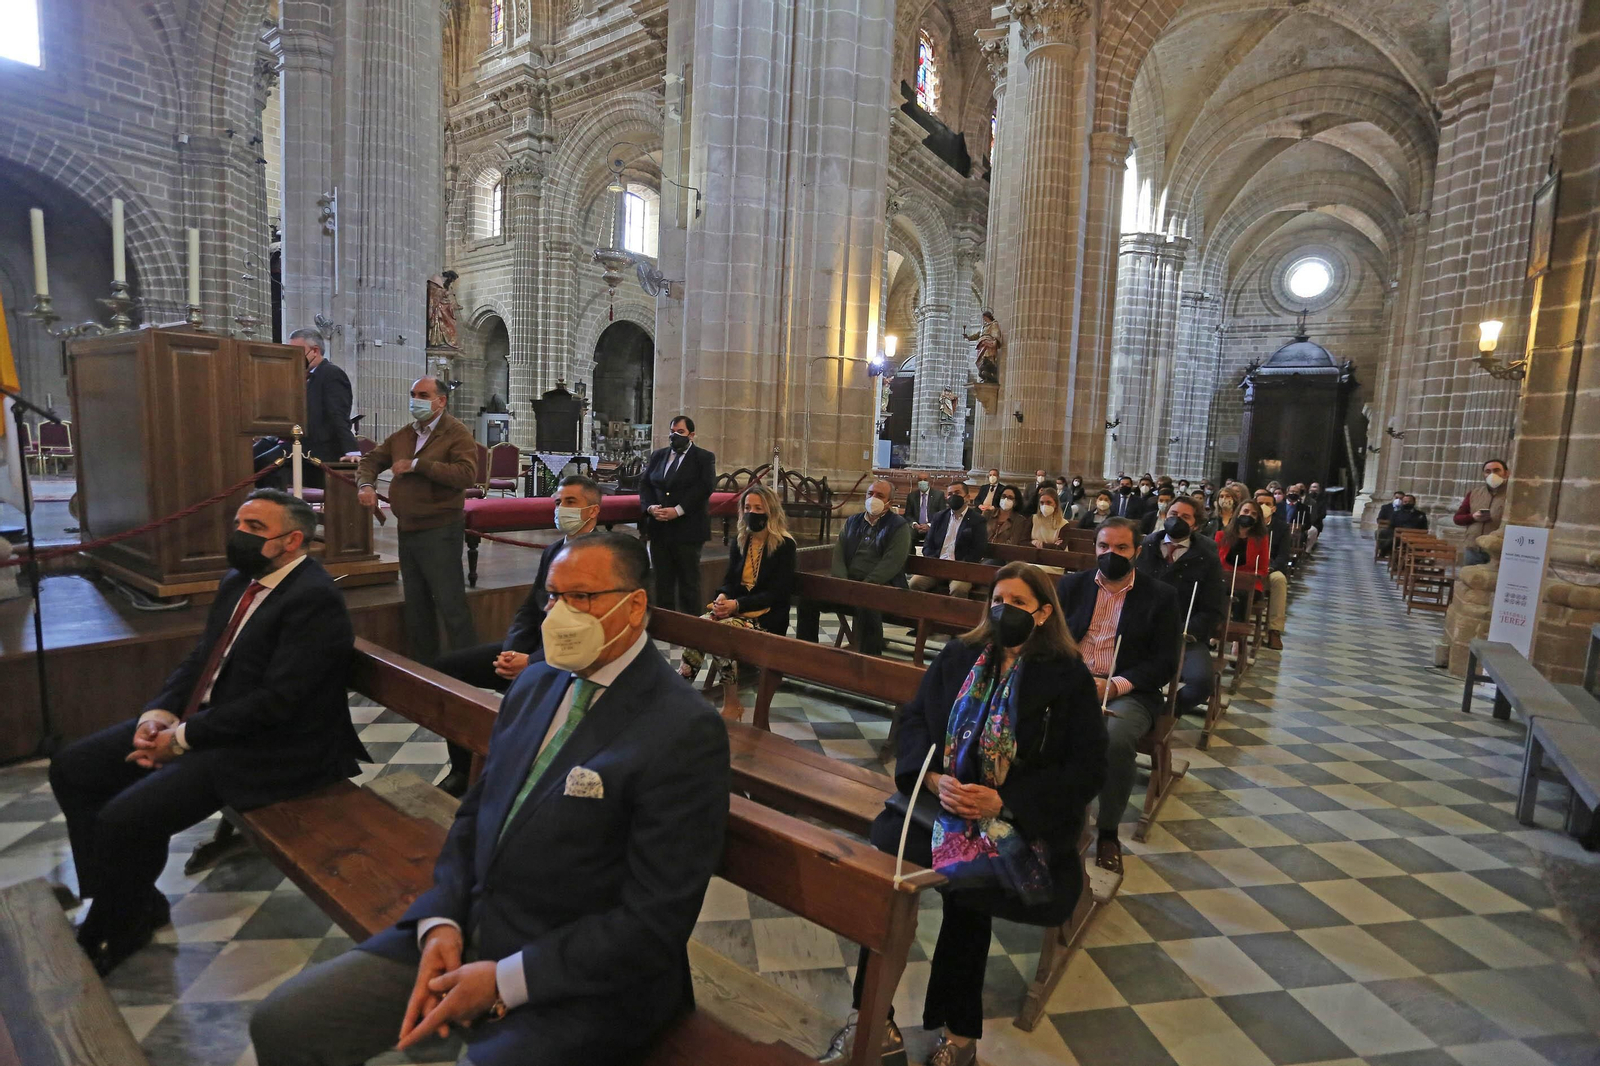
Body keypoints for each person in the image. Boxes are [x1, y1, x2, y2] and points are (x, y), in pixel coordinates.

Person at [250, 533, 730, 1066]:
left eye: (583, 597)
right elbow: (477, 814)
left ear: (634, 605)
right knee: (286, 1022)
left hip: (583, 977)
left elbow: (653, 920)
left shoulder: (683, 727)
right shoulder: (537, 684)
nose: (560, 613)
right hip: (472, 925)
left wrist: (505, 979)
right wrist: (440, 921)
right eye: (553, 596)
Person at [51, 489, 366, 976]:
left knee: (125, 819)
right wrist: (157, 715)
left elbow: (277, 704)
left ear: (293, 540)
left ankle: (112, 927)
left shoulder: (314, 600)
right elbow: (203, 658)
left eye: (255, 528)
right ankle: (130, 899)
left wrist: (180, 740)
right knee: (74, 768)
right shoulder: (241, 579)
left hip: (276, 748)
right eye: (239, 523)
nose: (239, 534)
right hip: (213, 725)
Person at [822, 563, 1106, 1066]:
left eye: (1017, 603)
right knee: (886, 873)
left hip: (1015, 818)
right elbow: (913, 720)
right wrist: (931, 778)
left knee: (967, 890)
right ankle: (871, 1017)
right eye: (997, 599)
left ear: (1042, 613)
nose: (1003, 610)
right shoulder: (959, 656)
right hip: (942, 806)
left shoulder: (1067, 676)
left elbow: (1087, 769)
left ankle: (958, 1033)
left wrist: (1006, 801)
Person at [432, 476, 602, 797]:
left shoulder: (605, 557)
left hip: (570, 660)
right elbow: (529, 611)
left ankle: (518, 776)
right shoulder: (553, 550)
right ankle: (461, 770)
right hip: (531, 650)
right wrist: (512, 652)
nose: (559, 509)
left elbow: (591, 630)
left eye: (569, 503)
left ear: (592, 511)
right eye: (557, 502)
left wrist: (533, 661)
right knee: (448, 670)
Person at [1055, 518, 1180, 875]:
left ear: (1137, 552)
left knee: (1115, 740)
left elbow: (1165, 662)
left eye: (1121, 548)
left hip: (1128, 690)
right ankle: (1044, 813)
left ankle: (1107, 830)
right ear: (1094, 549)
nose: (1111, 555)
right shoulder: (1072, 586)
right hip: (1073, 681)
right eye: (1104, 547)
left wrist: (1114, 686)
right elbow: (1055, 637)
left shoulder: (1160, 596)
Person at [357, 377, 480, 666]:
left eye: (423, 395)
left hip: (440, 528)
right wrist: (366, 485)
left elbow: (466, 474)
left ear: (441, 401)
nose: (416, 400)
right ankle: (426, 669)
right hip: (408, 527)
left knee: (451, 604)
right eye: (413, 394)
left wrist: (418, 465)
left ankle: (470, 671)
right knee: (417, 604)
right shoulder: (404, 435)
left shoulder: (456, 433)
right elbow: (371, 461)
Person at [680, 484, 797, 718]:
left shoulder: (784, 545)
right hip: (738, 610)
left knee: (723, 632)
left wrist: (737, 605)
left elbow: (778, 593)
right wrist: (723, 596)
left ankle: (732, 702)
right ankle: (680, 693)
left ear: (771, 511)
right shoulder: (741, 540)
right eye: (747, 507)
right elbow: (730, 581)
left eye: (758, 508)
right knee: (700, 627)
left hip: (768, 616)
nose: (752, 512)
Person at [796, 478, 911, 655]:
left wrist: (864, 586)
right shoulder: (853, 521)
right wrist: (843, 583)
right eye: (870, 494)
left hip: (882, 587)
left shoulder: (899, 527)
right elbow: (839, 553)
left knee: (867, 604)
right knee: (808, 598)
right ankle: (807, 654)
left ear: (890, 502)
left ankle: (869, 662)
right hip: (849, 585)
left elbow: (892, 563)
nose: (873, 498)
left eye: (880, 495)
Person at [1135, 496, 1223, 711]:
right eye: (1173, 515)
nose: (1177, 520)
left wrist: (1185, 630)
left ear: (1196, 524)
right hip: (1140, 629)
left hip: (1183, 634)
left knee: (1201, 683)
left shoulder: (1207, 557)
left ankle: (1166, 715)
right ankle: (1137, 708)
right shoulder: (1145, 546)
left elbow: (1213, 608)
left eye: (1185, 517)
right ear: (1165, 516)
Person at [638, 415, 717, 613]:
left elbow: (704, 488)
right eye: (672, 432)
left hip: (688, 529)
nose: (675, 436)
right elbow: (646, 484)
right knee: (662, 580)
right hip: (659, 528)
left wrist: (678, 510)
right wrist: (650, 508)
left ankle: (690, 629)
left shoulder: (703, 458)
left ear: (691, 434)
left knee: (688, 582)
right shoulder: (658, 455)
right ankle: (667, 626)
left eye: (680, 432)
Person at [1215, 500, 1290, 649]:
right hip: (1226, 578)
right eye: (1246, 511)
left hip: (1249, 582)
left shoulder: (1261, 538)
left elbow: (1263, 567)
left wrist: (1250, 577)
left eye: (1254, 514)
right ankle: (1214, 632)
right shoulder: (1222, 535)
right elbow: (1216, 561)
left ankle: (1238, 639)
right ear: (1238, 513)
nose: (1249, 515)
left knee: (1242, 596)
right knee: (1215, 592)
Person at [291, 327, 358, 489]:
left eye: (296, 352)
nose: (292, 358)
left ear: (315, 351)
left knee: (266, 462)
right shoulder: (301, 376)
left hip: (316, 449)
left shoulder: (331, 374)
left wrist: (352, 451)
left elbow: (338, 414)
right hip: (296, 442)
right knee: (252, 457)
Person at [909, 481, 988, 598]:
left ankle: (954, 616)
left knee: (959, 589)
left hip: (961, 570)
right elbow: (927, 545)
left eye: (957, 493)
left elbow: (978, 549)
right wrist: (935, 561)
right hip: (937, 567)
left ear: (967, 497)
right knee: (914, 583)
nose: (953, 496)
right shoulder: (939, 517)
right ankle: (923, 614)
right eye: (950, 494)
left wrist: (959, 565)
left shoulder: (977, 520)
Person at [1454, 458, 1509, 565]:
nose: (1492, 474)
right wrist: (1473, 517)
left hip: (1498, 551)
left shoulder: (1513, 494)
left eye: (1496, 470)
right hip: (1473, 548)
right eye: (1488, 471)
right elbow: (1457, 518)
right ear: (1483, 474)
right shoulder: (1475, 493)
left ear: (1506, 473)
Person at [983, 484, 1029, 560]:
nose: (1006, 500)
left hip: (1003, 557)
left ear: (1015, 502)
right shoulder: (988, 514)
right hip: (983, 551)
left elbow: (1012, 543)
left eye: (1010, 498)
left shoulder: (1019, 520)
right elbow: (980, 534)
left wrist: (993, 551)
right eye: (1004, 496)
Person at [902, 475, 947, 543]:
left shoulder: (939, 495)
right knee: (907, 534)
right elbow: (908, 515)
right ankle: (911, 553)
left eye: (925, 480)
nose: (922, 482)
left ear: (929, 482)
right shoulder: (912, 496)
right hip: (916, 527)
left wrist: (929, 525)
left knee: (938, 534)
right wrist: (914, 524)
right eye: (920, 480)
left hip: (932, 527)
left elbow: (942, 515)